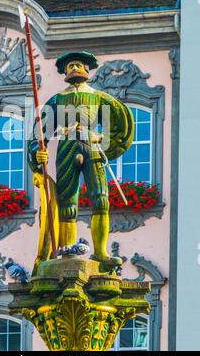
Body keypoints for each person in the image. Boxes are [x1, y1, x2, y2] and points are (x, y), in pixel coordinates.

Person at [28, 51, 134, 264]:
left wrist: (103, 139)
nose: (74, 68)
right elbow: (39, 133)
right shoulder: (57, 100)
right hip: (67, 147)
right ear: (64, 71)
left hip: (92, 146)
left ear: (87, 69)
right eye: (70, 65)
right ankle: (68, 251)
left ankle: (100, 252)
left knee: (101, 199)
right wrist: (37, 153)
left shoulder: (100, 97)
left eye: (78, 64)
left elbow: (122, 123)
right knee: (68, 202)